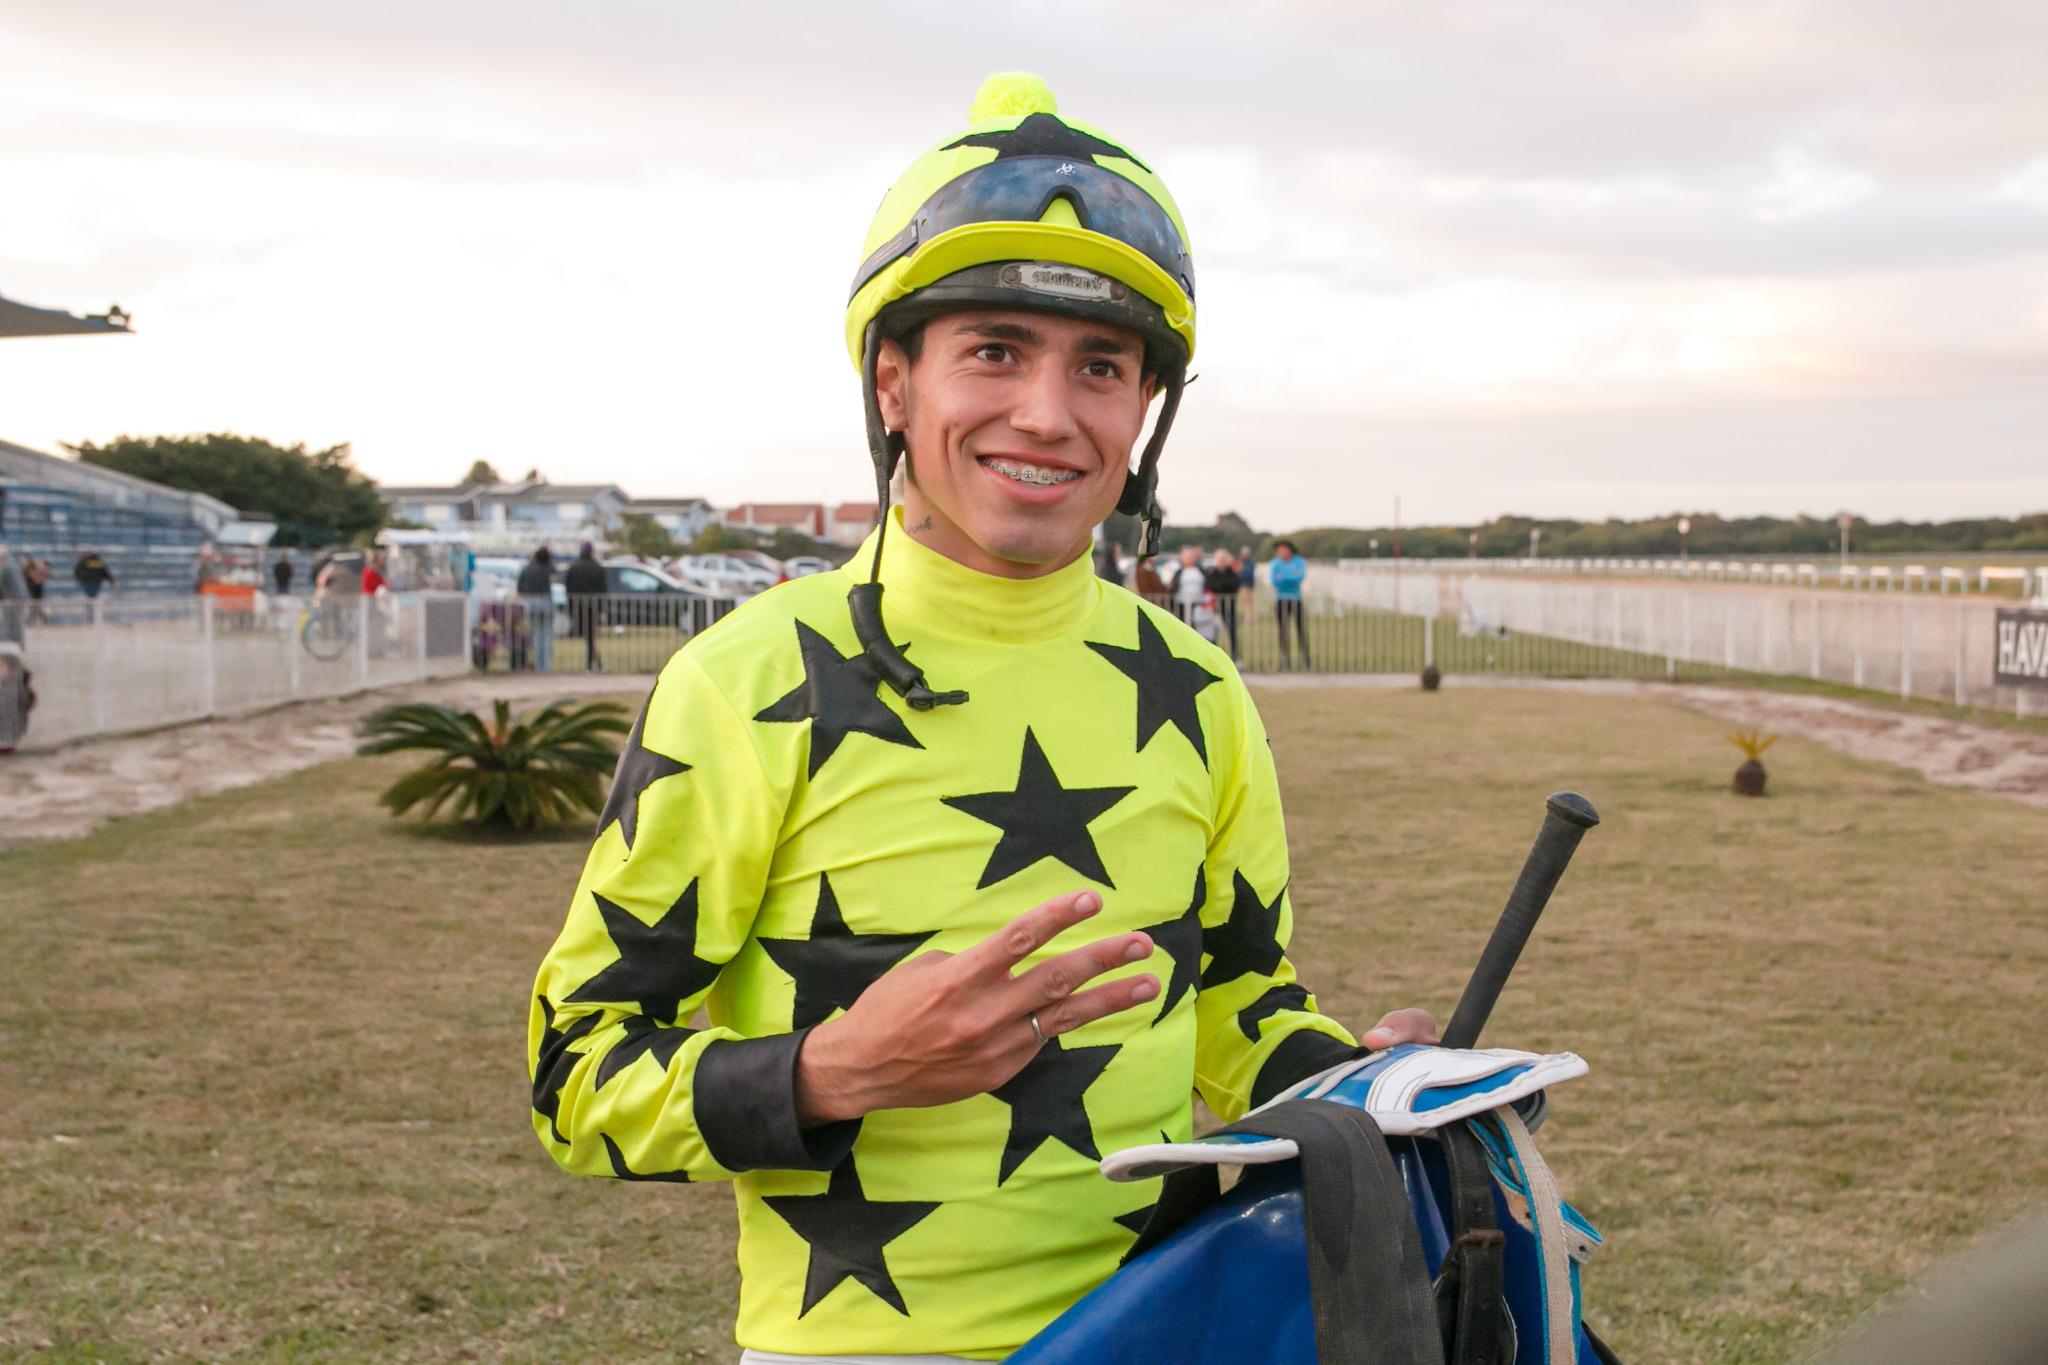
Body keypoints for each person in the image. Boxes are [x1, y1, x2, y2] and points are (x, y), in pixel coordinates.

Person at [526, 73, 1434, 1364]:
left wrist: (1366, 1077)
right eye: (995, 351)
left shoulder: (1203, 691)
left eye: (1101, 367)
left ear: (1144, 414)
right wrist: (837, 1068)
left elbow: (1235, 1008)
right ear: (893, 381)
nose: (1049, 415)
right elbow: (574, 1073)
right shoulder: (741, 684)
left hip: (1180, 1330)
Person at [563, 541, 607, 672]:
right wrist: (601, 607)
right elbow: (602, 589)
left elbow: (568, 589)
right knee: (590, 636)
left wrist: (570, 607)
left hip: (578, 605)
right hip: (593, 606)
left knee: (589, 637)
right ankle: (595, 665)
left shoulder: (574, 567)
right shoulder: (597, 567)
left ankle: (594, 665)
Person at [1269, 539, 1309, 669]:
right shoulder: (1274, 563)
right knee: (1283, 631)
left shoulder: (1299, 561)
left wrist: (1284, 577)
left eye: (1282, 549)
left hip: (1296, 600)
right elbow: (1275, 581)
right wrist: (1290, 576)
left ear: (1289, 549)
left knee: (1301, 630)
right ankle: (1286, 659)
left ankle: (1305, 658)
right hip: (1281, 600)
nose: (1280, 552)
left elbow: (1299, 578)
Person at [516, 546, 556, 673]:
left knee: (537, 635)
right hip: (546, 604)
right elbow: (554, 572)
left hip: (531, 606)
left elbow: (520, 589)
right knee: (547, 635)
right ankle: (546, 666)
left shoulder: (526, 569)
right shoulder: (547, 569)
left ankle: (539, 666)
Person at [1203, 550, 1241, 660]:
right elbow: (1210, 586)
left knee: (1232, 633)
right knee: (1213, 634)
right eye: (1219, 559)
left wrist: (1219, 588)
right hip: (1215, 609)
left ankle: (1235, 656)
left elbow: (1233, 587)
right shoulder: (1211, 573)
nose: (1221, 561)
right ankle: (1213, 657)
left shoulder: (1232, 574)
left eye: (1223, 559)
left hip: (1229, 608)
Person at [1168, 544, 1206, 624]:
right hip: (1181, 603)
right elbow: (1173, 586)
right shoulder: (1178, 572)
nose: (1189, 558)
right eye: (1186, 556)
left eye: (1191, 556)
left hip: (1199, 604)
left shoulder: (1201, 570)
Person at [0, 542, 27, 647]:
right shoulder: (13, 564)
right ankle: (18, 644)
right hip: (20, 598)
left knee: (10, 624)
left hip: (13, 599)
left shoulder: (5, 567)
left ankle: (11, 646)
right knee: (17, 624)